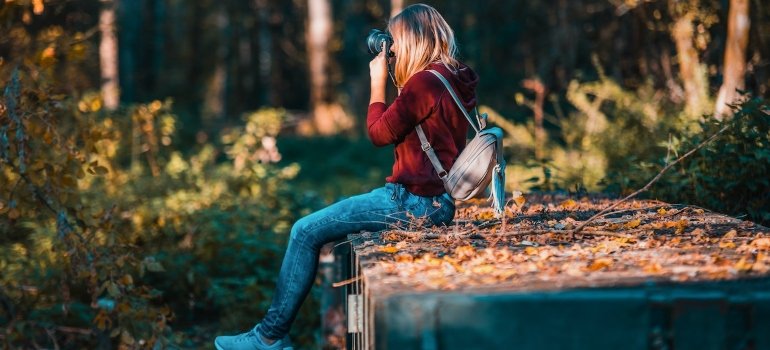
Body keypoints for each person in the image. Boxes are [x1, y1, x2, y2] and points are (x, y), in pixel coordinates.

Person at [214, 3, 478, 349]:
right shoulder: (454, 76)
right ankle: (271, 335)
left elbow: (378, 133)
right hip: (436, 200)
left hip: (414, 202)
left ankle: (268, 337)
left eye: (395, 41)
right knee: (323, 229)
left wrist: (376, 82)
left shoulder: (424, 83)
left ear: (413, 40)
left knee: (304, 231)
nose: (392, 49)